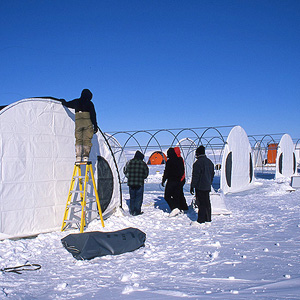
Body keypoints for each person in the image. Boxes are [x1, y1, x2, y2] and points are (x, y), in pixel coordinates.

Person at [61, 89, 98, 162]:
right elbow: (93, 115)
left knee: (79, 139)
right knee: (87, 139)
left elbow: (67, 104)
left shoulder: (76, 101)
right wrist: (95, 125)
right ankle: (85, 156)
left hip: (78, 122)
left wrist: (63, 101)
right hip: (87, 121)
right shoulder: (90, 103)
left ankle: (78, 156)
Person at [190, 145, 215, 225]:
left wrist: (192, 186)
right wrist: (209, 182)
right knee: (207, 202)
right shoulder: (209, 162)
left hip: (200, 186)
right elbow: (212, 174)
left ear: (198, 153)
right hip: (207, 185)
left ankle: (201, 220)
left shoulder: (197, 163)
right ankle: (208, 218)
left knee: (201, 203)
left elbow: (195, 176)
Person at [123, 150, 149, 216]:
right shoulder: (143, 163)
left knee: (132, 197)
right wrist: (142, 177)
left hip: (131, 183)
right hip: (139, 183)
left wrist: (129, 177)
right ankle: (137, 211)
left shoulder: (129, 162)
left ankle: (132, 210)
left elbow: (125, 171)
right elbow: (146, 173)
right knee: (138, 197)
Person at [162, 148, 185, 217]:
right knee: (176, 196)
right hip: (178, 180)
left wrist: (164, 179)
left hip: (171, 180)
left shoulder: (169, 161)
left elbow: (167, 171)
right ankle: (178, 208)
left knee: (167, 195)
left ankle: (174, 208)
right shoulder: (180, 160)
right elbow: (182, 170)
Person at [174, 147, 188, 211]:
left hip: (180, 179)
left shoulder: (178, 159)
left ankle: (180, 206)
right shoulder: (180, 158)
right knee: (180, 193)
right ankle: (183, 206)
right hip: (182, 179)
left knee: (178, 193)